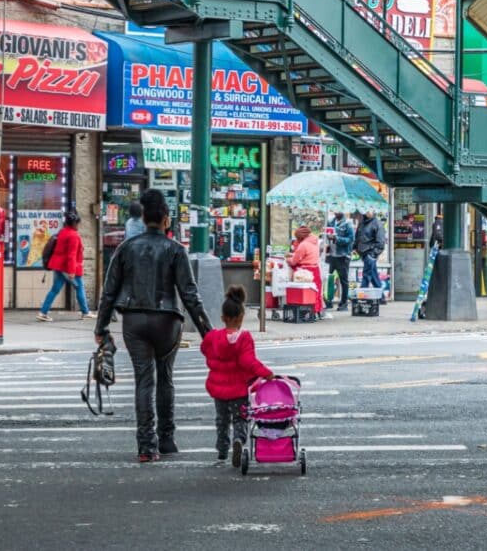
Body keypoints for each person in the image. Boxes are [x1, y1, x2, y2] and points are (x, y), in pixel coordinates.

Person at [94, 188, 214, 463]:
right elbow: (190, 295)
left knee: (144, 381)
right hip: (167, 321)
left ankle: (147, 445)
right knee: (166, 378)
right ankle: (167, 438)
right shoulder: (175, 250)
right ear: (166, 220)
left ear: (144, 217)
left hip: (134, 321)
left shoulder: (125, 249)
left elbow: (109, 292)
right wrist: (208, 333)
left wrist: (101, 328)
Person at [201, 285, 273, 466]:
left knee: (222, 420)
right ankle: (239, 440)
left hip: (218, 390)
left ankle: (222, 450)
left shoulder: (213, 337)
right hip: (239, 390)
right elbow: (249, 362)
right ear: (241, 317)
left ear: (223, 318)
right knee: (240, 418)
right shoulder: (244, 338)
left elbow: (205, 349)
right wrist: (267, 374)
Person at [37, 210, 94, 322]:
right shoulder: (74, 236)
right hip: (68, 268)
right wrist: (72, 271)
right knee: (79, 287)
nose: (79, 225)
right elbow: (71, 255)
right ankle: (85, 312)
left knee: (55, 290)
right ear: (73, 224)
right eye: (78, 223)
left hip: (58, 266)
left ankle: (43, 312)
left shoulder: (62, 232)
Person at [286, 226, 324, 316]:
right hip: (315, 270)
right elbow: (307, 255)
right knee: (315, 292)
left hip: (305, 272)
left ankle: (305, 312)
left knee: (304, 294)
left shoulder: (303, 244)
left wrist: (288, 259)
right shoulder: (314, 242)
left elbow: (295, 260)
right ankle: (316, 312)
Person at [325, 211, 354, 311]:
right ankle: (327, 301)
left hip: (343, 256)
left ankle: (343, 303)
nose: (336, 212)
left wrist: (336, 238)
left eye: (338, 210)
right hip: (331, 256)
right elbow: (325, 235)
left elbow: (350, 239)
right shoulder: (330, 222)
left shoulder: (348, 224)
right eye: (335, 210)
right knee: (327, 279)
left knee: (343, 281)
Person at [355, 210, 386, 291]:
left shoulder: (377, 223)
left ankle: (362, 295)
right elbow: (358, 237)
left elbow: (381, 242)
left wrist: (373, 254)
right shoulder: (362, 223)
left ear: (374, 212)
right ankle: (381, 297)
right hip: (364, 253)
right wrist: (355, 248)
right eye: (366, 210)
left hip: (370, 253)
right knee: (373, 275)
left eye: (370, 210)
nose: (367, 212)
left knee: (366, 275)